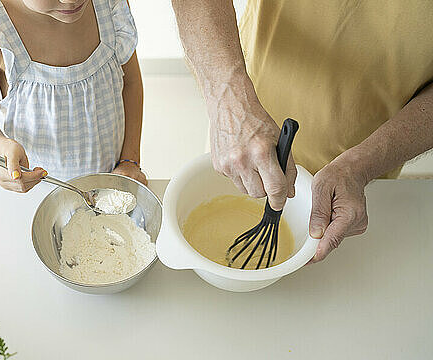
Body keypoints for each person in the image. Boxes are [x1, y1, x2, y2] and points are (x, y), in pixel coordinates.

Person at [171, 0, 433, 262]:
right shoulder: (235, 126)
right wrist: (228, 100)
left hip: (369, 170)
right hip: (241, 129)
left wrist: (362, 165)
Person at [0, 0, 146, 193]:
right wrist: (4, 149)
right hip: (35, 187)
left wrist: (130, 160)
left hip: (109, 174)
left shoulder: (110, 6)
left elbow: (130, 83)